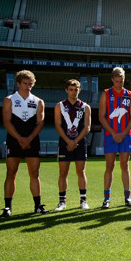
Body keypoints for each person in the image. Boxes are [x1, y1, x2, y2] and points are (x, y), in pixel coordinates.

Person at [0, 70, 47, 218]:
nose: (28, 87)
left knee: (34, 173)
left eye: (30, 84)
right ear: (18, 83)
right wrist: (20, 138)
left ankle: (38, 205)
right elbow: (7, 121)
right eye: (25, 84)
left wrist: (28, 139)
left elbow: (40, 123)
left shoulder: (38, 101)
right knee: (11, 173)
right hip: (14, 140)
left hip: (32, 141)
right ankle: (7, 207)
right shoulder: (9, 100)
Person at [99, 67, 131, 208]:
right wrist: (114, 133)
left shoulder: (130, 95)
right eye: (116, 81)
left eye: (121, 81)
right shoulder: (106, 94)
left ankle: (127, 197)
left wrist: (123, 133)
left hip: (126, 135)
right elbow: (101, 117)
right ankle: (106, 198)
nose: (119, 84)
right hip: (110, 135)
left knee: (125, 165)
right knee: (110, 165)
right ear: (112, 80)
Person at [54, 79, 91, 211]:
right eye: (71, 89)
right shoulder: (60, 106)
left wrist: (75, 141)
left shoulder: (85, 106)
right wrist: (68, 140)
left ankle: (83, 200)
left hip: (80, 143)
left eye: (76, 90)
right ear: (66, 90)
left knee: (81, 172)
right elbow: (58, 125)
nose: (74, 92)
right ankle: (62, 202)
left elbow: (87, 127)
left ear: (79, 90)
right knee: (63, 172)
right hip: (64, 142)